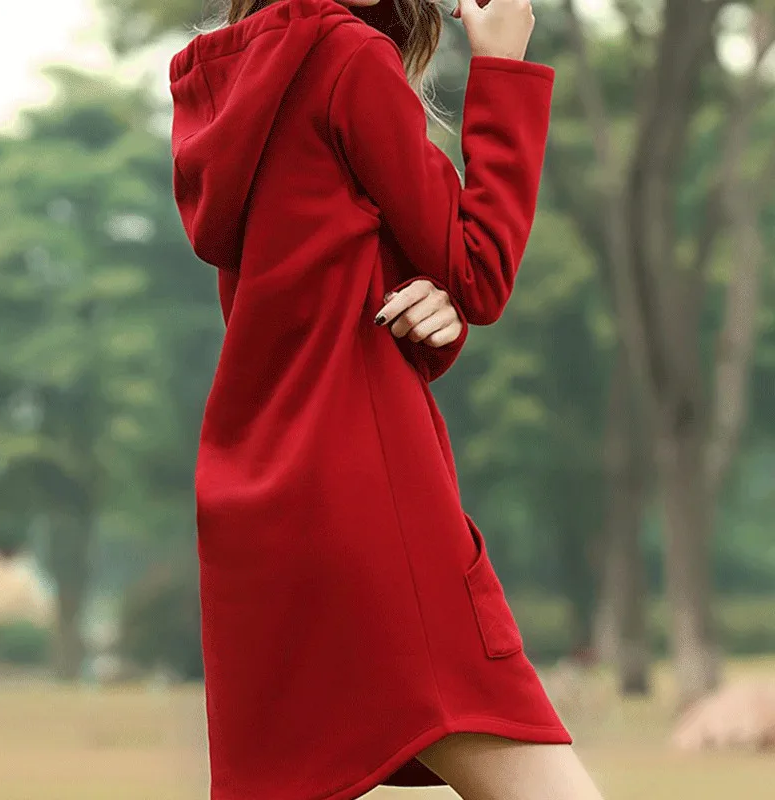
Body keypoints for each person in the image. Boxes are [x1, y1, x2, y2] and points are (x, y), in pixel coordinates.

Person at [168, 0, 606, 797]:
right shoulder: (345, 58)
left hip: (253, 506)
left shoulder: (226, 86)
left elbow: (321, 298)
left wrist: (432, 309)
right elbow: (479, 269)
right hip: (371, 496)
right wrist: (503, 65)